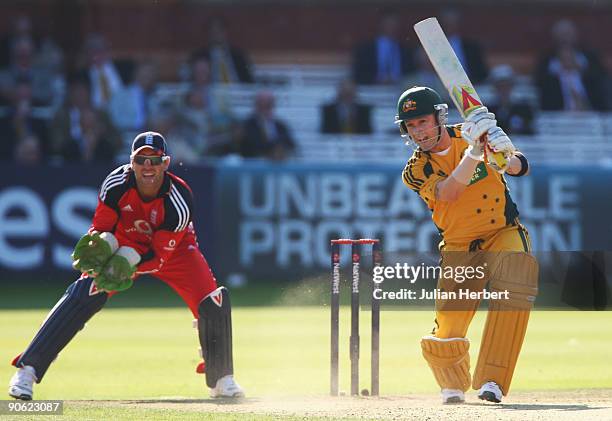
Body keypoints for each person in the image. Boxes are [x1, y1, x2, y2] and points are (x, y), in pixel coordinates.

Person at [8, 132, 244, 400]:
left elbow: (159, 257)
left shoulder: (178, 200)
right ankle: (27, 371)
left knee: (212, 300)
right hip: (124, 241)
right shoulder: (116, 183)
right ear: (131, 161)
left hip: (174, 251)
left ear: (165, 163)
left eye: (154, 160)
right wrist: (101, 249)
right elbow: (102, 228)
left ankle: (222, 378)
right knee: (83, 293)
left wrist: (125, 266)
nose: (148, 166)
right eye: (141, 159)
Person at [396, 86, 538, 404]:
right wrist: (475, 153)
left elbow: (520, 167)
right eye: (411, 125)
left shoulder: (473, 133)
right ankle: (452, 382)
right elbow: (448, 193)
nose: (418, 131)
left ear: (439, 117)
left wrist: (504, 157)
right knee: (449, 324)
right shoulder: (416, 170)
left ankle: (493, 381)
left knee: (516, 285)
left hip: (502, 230)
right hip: (460, 245)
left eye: (423, 121)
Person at [535, 19, 607, 111]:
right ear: (555, 37)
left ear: (576, 35)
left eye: (568, 34)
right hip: (556, 113)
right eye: (561, 34)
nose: (565, 38)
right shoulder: (546, 59)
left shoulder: (591, 57)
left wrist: (580, 69)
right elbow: (539, 82)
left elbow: (602, 79)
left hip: (591, 112)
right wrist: (559, 71)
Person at [241, 91, 295, 160]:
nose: (264, 109)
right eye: (261, 106)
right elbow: (248, 146)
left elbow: (291, 144)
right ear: (256, 106)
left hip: (279, 165)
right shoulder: (247, 125)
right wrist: (272, 151)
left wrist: (281, 149)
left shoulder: (281, 125)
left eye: (268, 105)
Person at [487, 65, 535, 135]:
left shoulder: (524, 109)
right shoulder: (488, 110)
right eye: (500, 86)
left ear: (512, 87)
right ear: (494, 88)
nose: (504, 90)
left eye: (506, 86)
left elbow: (530, 130)